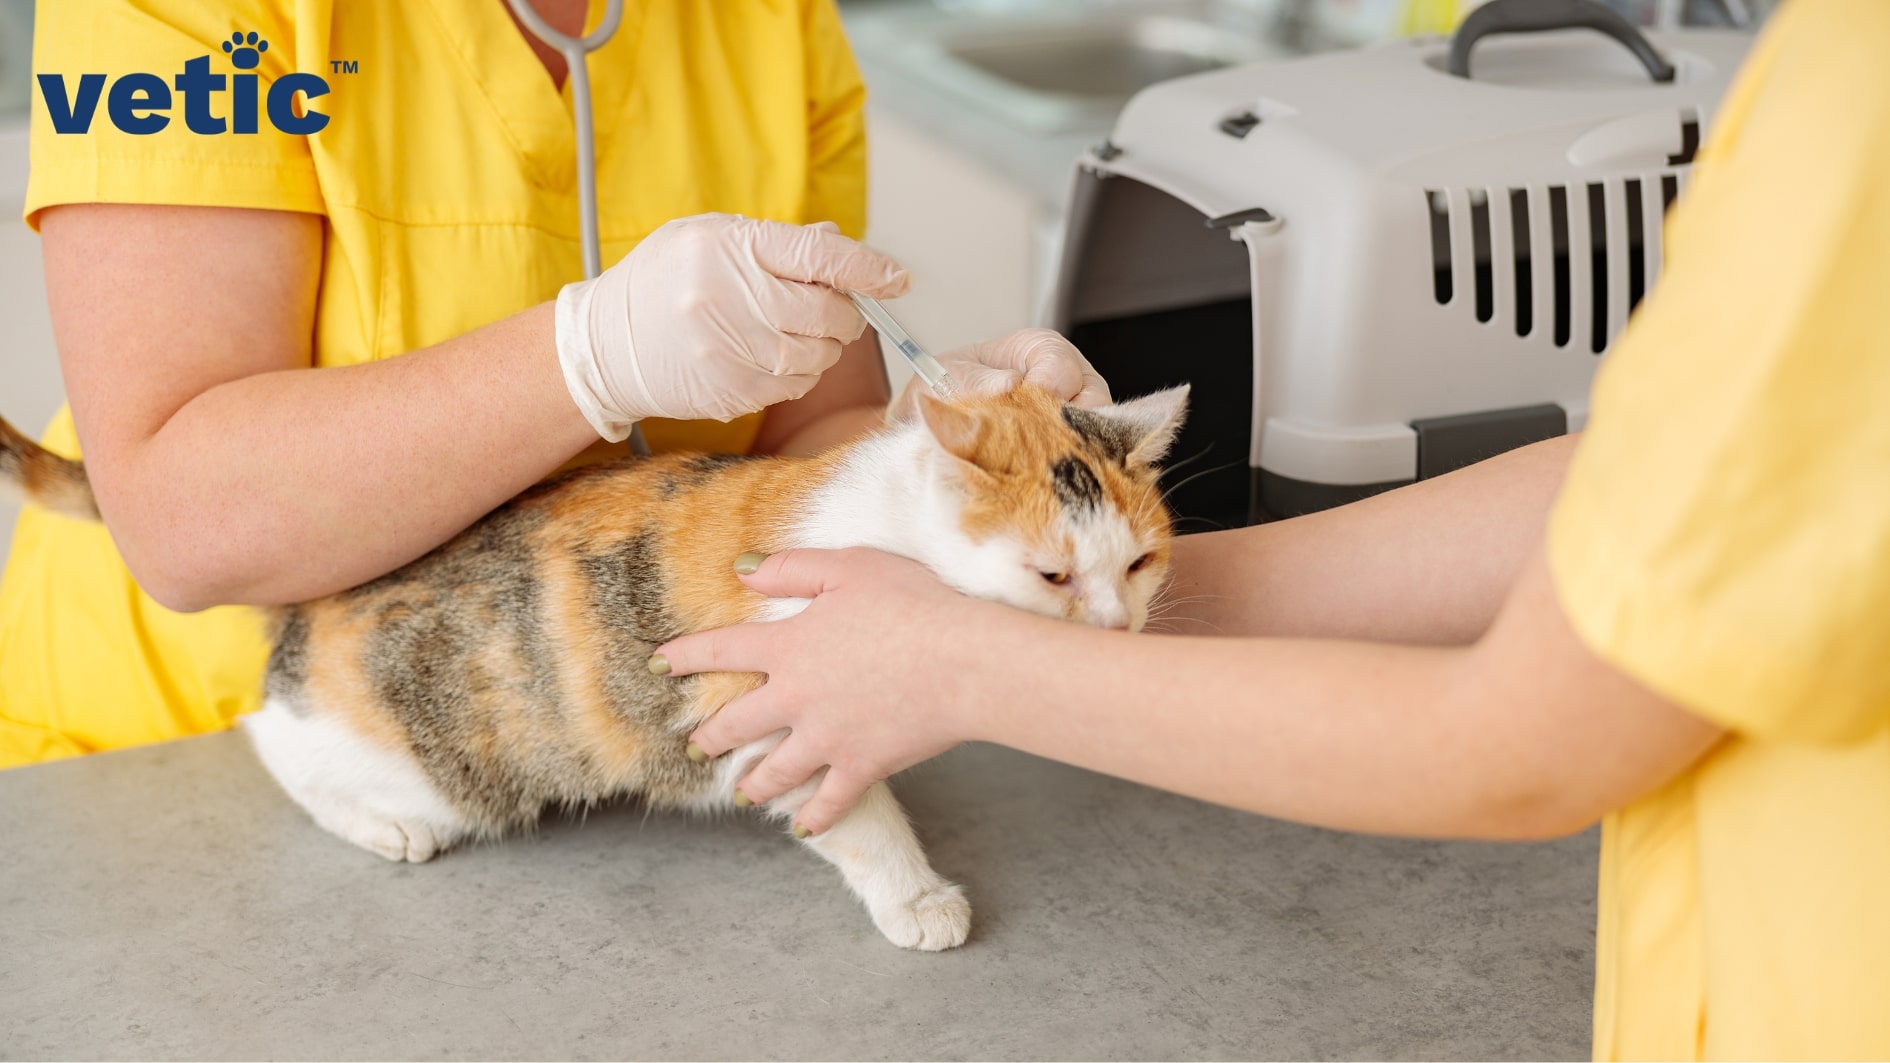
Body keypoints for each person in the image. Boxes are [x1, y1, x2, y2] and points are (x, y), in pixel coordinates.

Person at [656, 1, 1890, 1058]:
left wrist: (971, 661)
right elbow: (1648, 489)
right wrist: (1110, 580)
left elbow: (1528, 740)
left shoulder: (1852, 104)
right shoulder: (1841, 62)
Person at [0, 1, 1106, 767]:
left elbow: (805, 441)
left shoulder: (771, 22)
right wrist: (588, 358)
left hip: (590, 754)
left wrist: (924, 460)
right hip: (189, 771)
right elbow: (184, 521)